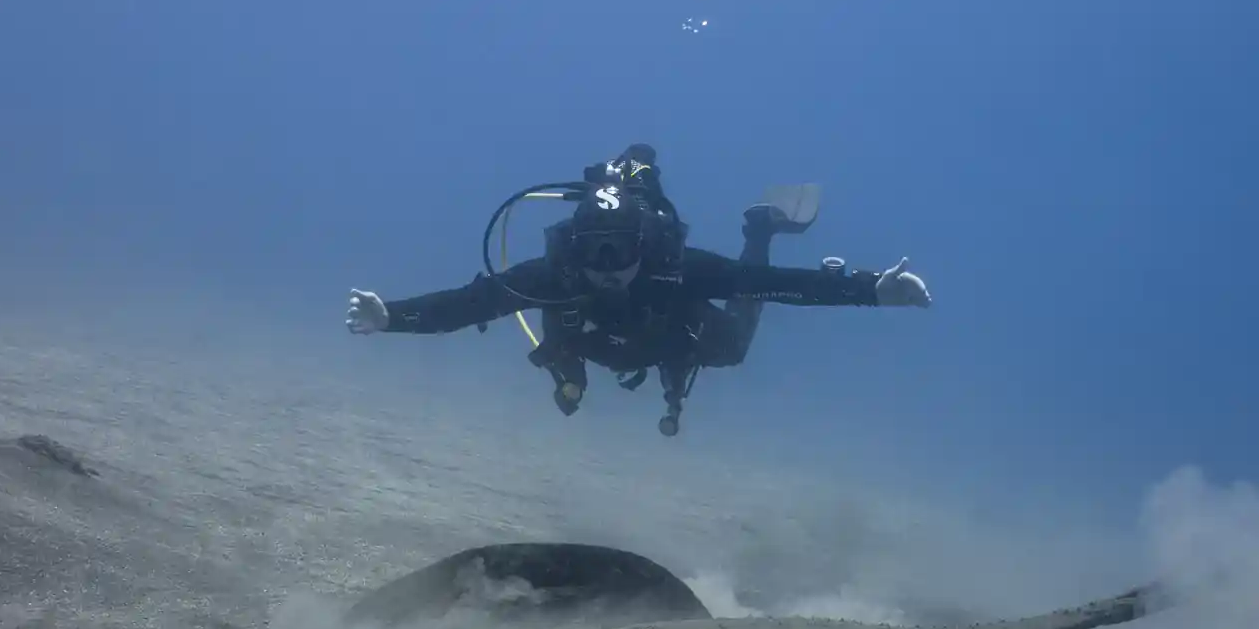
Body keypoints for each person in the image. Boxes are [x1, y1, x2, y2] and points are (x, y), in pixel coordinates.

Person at [345, 144, 932, 436]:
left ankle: (761, 229)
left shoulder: (676, 268)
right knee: (573, 339)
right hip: (599, 344)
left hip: (670, 337)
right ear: (572, 248)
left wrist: (871, 289)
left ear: (644, 247)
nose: (605, 269)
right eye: (592, 253)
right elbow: (467, 305)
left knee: (732, 346)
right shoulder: (557, 277)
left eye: (619, 253)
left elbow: (776, 285)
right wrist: (389, 317)